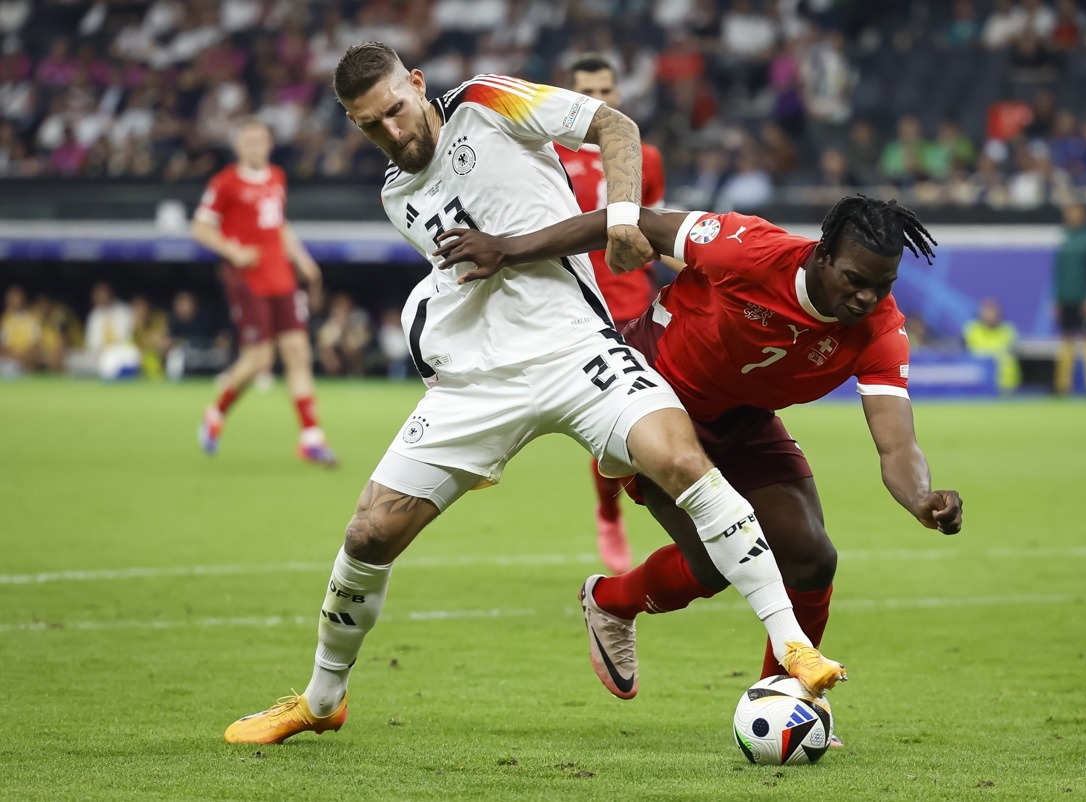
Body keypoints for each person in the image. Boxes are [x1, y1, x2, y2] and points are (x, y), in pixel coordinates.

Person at [223, 42, 847, 746]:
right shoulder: (396, 195)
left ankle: (793, 647)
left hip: (577, 350)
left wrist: (618, 222)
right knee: (369, 533)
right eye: (370, 125)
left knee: (680, 457)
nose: (391, 132)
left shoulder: (488, 101)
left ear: (417, 85)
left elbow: (617, 126)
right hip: (479, 381)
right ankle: (320, 699)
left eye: (396, 110)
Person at [433, 195, 964, 718]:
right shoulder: (747, 249)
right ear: (823, 256)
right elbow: (628, 221)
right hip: (648, 398)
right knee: (713, 562)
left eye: (884, 285)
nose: (868, 298)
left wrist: (922, 496)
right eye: (856, 280)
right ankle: (611, 602)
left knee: (812, 554)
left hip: (743, 416)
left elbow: (897, 443)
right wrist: (508, 248)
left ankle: (783, 702)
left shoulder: (879, 328)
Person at [555, 54, 678, 575]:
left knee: (632, 416)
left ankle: (618, 511)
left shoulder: (643, 155)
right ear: (571, 97)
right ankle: (610, 511)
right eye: (589, 91)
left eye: (608, 89)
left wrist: (698, 266)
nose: (600, 100)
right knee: (604, 423)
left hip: (633, 304)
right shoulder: (547, 155)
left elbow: (654, 225)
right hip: (570, 303)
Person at [192, 117, 337, 466]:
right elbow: (200, 227)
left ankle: (311, 436)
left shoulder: (276, 177)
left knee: (298, 353)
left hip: (281, 277)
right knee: (259, 359)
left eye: (261, 140)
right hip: (248, 278)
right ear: (238, 146)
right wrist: (233, 251)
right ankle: (216, 413)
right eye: (249, 140)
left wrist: (302, 259)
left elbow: (279, 224)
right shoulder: (225, 182)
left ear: (269, 144)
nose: (256, 146)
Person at [1053, 203, 1086, 396]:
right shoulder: (1064, 237)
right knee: (1066, 338)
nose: (1071, 216)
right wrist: (1056, 297)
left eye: (1075, 212)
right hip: (1065, 297)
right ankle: (1062, 386)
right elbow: (1057, 271)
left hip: (1083, 298)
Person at [963, 297, 1021, 393]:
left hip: (1006, 385)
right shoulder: (971, 330)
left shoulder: (1008, 331)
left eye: (993, 312)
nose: (990, 315)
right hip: (978, 385)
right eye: (987, 311)